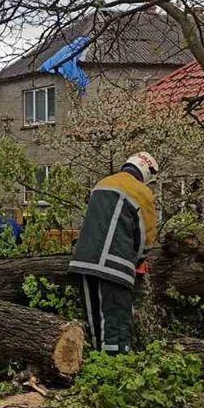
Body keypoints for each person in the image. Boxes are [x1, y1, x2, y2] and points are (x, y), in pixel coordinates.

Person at [68, 152, 159, 355]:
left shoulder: (102, 183)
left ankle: (92, 366)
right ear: (146, 173)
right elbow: (147, 237)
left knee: (94, 322)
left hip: (83, 261)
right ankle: (115, 369)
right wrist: (137, 260)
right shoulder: (141, 192)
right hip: (115, 266)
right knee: (115, 323)